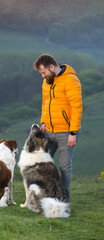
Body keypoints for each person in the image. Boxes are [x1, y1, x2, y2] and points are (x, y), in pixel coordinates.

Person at [33, 54, 82, 192]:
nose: (43, 76)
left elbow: (76, 107)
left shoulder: (71, 80)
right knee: (41, 163)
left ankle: (63, 197)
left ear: (52, 67)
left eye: (44, 72)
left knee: (64, 168)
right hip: (48, 131)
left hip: (66, 133)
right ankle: (44, 194)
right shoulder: (46, 82)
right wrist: (43, 122)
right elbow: (45, 103)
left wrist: (73, 132)